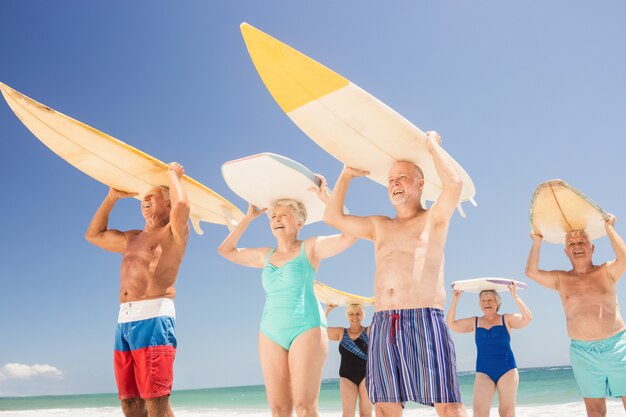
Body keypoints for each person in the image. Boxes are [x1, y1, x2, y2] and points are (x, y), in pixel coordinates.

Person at [324, 131, 467, 417]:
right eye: (390, 180)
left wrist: (432, 147)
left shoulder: (433, 218)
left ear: (420, 184)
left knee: (448, 405)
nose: (394, 184)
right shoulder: (379, 225)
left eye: (401, 177)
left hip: (424, 318)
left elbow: (454, 184)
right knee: (386, 406)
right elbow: (332, 217)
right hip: (383, 321)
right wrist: (345, 176)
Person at [217, 177, 355, 417]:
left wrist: (327, 200)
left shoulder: (311, 247)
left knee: (304, 406)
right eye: (273, 216)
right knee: (279, 409)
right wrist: (248, 218)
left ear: (300, 222)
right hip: (270, 331)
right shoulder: (265, 256)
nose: (276, 220)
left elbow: (351, 235)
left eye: (283, 215)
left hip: (306, 328)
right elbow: (226, 251)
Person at [85, 162, 190, 417]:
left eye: (154, 196)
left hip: (154, 317)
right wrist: (112, 197)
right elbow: (94, 234)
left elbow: (182, 207)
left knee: (156, 403)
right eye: (145, 196)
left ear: (166, 205)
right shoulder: (130, 238)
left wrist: (173, 176)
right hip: (124, 322)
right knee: (130, 404)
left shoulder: (172, 233)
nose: (146, 198)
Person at [525, 215, 626, 417]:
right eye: (571, 243)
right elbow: (531, 272)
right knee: (595, 411)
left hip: (617, 348)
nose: (577, 246)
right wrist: (537, 242)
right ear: (566, 251)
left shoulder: (606, 271)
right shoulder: (561, 279)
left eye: (582, 242)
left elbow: (624, 258)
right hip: (582, 352)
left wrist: (609, 228)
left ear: (592, 248)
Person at [447, 284, 532, 417]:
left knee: (506, 412)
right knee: (479, 413)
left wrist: (515, 296)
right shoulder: (474, 322)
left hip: (507, 370)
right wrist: (455, 300)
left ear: (497, 303)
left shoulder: (506, 319)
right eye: (483, 300)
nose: (487, 303)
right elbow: (451, 324)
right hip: (484, 372)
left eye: (490, 300)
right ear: (480, 305)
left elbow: (527, 318)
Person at [325, 303, 372, 417]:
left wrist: (378, 304)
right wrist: (328, 310)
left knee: (366, 413)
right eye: (351, 314)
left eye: (358, 313)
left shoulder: (369, 331)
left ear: (363, 315)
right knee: (347, 414)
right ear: (347, 315)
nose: (355, 316)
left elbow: (384, 323)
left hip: (366, 376)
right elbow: (319, 329)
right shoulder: (341, 333)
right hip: (347, 377)